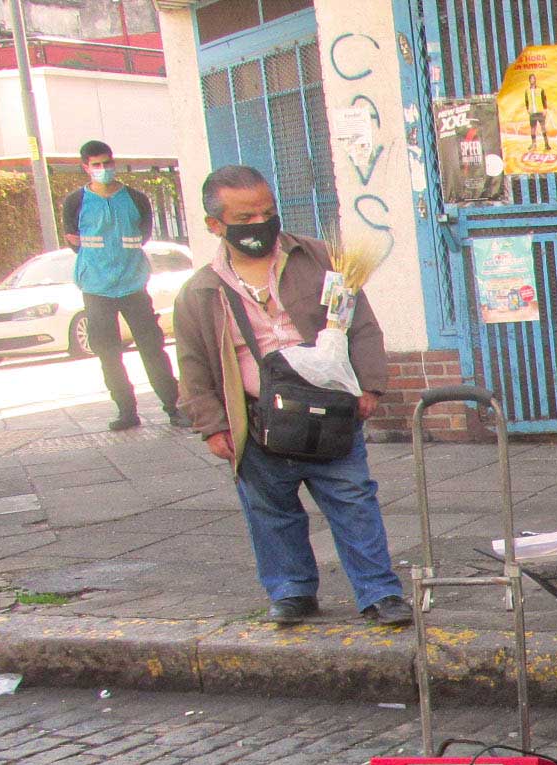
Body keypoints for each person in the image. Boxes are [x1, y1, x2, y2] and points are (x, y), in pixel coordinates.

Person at [171, 165, 412, 629]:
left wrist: (370, 386)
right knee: (270, 509)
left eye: (268, 211)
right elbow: (193, 364)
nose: (260, 222)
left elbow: (360, 323)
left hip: (329, 412)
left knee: (352, 499)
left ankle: (379, 592)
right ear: (215, 224)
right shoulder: (200, 291)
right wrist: (212, 426)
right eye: (245, 216)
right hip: (257, 418)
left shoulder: (320, 259)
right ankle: (291, 591)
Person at [60, 139, 182, 431]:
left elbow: (143, 236)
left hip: (133, 285)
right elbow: (74, 241)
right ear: (86, 168)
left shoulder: (136, 198)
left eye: (107, 163)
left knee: (152, 347)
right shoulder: (75, 202)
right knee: (108, 353)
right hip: (96, 289)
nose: (103, 169)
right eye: (96, 165)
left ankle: (174, 407)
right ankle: (126, 412)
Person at [524, 75, 550, 151]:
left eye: (533, 79)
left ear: (535, 80)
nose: (532, 80)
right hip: (532, 113)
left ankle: (546, 144)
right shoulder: (527, 91)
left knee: (543, 128)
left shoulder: (540, 89)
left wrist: (545, 109)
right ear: (529, 80)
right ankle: (534, 144)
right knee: (533, 129)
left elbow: (544, 99)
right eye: (531, 79)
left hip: (540, 112)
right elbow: (526, 101)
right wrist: (528, 109)